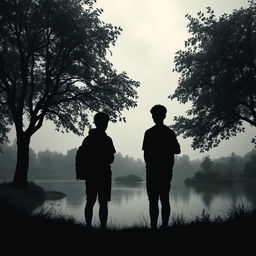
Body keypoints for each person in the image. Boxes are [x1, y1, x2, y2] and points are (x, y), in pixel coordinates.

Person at [142, 104, 181, 229]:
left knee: (154, 200)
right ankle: (163, 226)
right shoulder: (169, 133)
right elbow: (177, 150)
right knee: (164, 199)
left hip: (155, 171)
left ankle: (155, 226)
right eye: (153, 115)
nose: (154, 117)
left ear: (163, 116)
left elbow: (146, 154)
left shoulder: (149, 133)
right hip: (164, 171)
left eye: (155, 115)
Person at [82, 112, 116, 229]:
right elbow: (111, 159)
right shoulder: (107, 139)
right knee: (103, 203)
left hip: (90, 175)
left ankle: (88, 226)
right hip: (104, 175)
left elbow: (84, 157)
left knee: (90, 201)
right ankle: (103, 227)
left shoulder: (87, 139)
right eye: (105, 123)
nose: (106, 125)